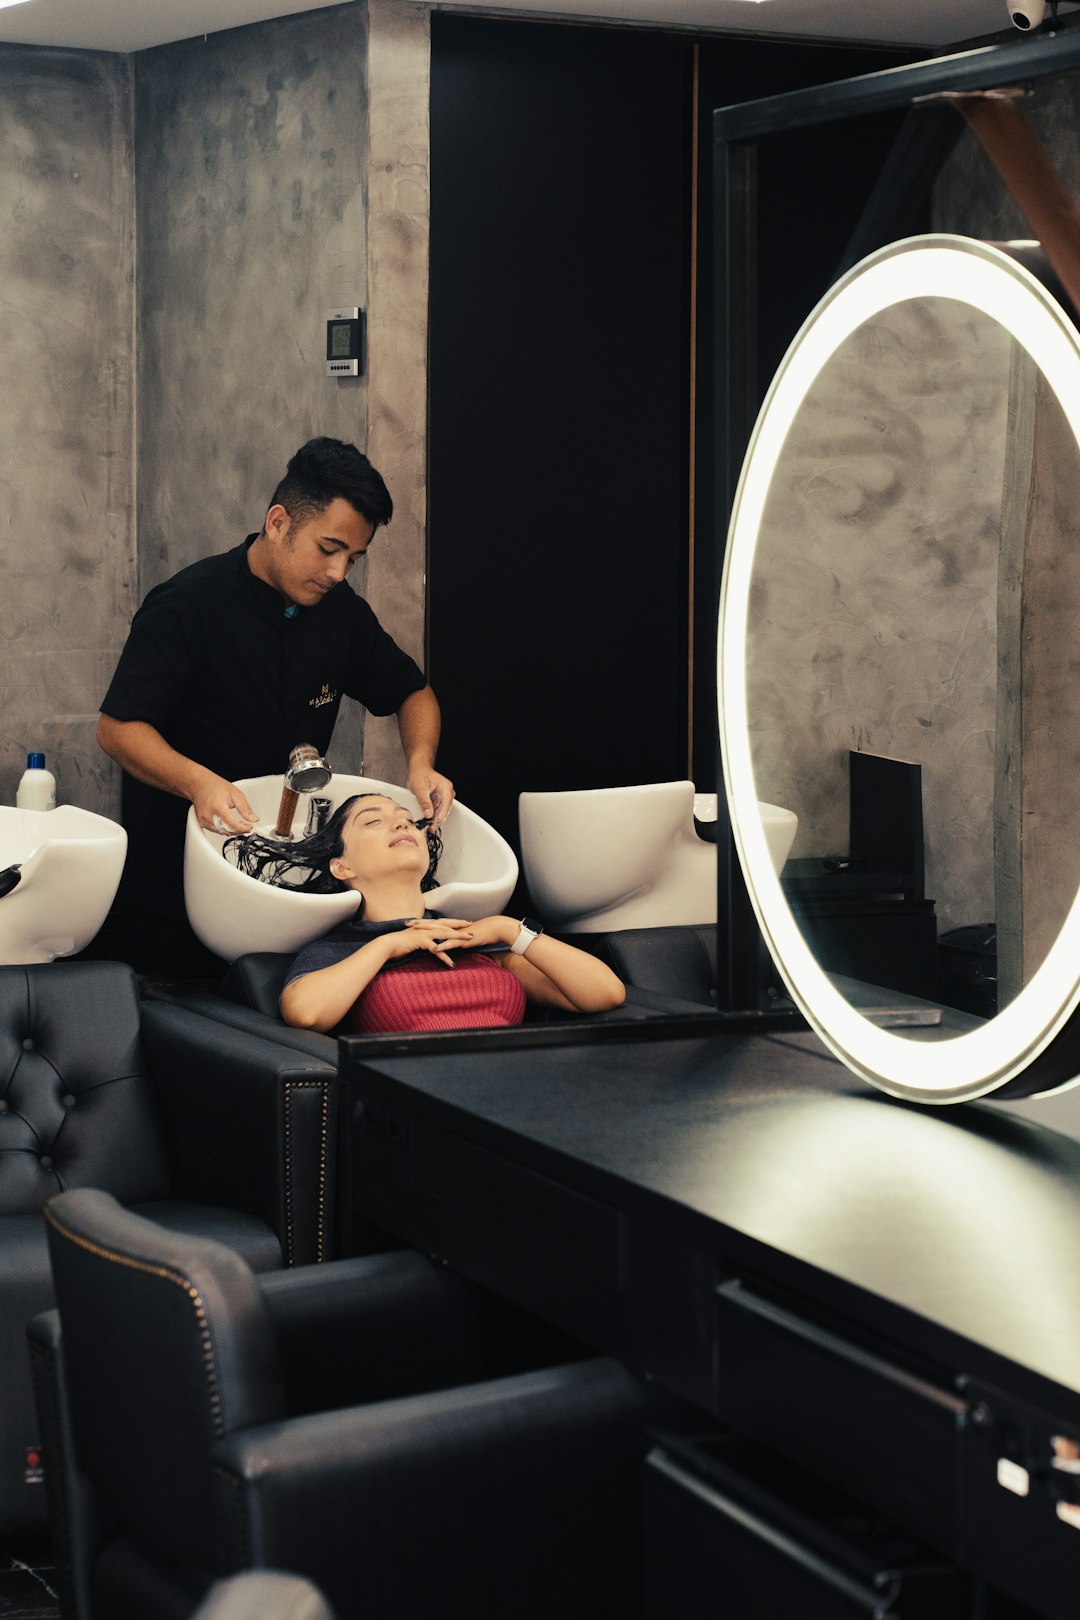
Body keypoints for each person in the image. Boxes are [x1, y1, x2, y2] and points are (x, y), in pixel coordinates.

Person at [94, 437, 453, 977]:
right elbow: (118, 729)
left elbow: (412, 692)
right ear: (279, 522)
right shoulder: (187, 605)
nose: (338, 572)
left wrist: (421, 763)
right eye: (328, 549)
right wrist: (198, 783)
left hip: (284, 880)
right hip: (179, 880)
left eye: (353, 558)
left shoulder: (340, 614)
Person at [237, 793, 625, 1034]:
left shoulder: (476, 942)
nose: (401, 823)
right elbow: (305, 1013)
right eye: (373, 821)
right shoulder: (341, 950)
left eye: (408, 819)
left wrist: (509, 930)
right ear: (342, 866)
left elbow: (605, 994)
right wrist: (388, 945)